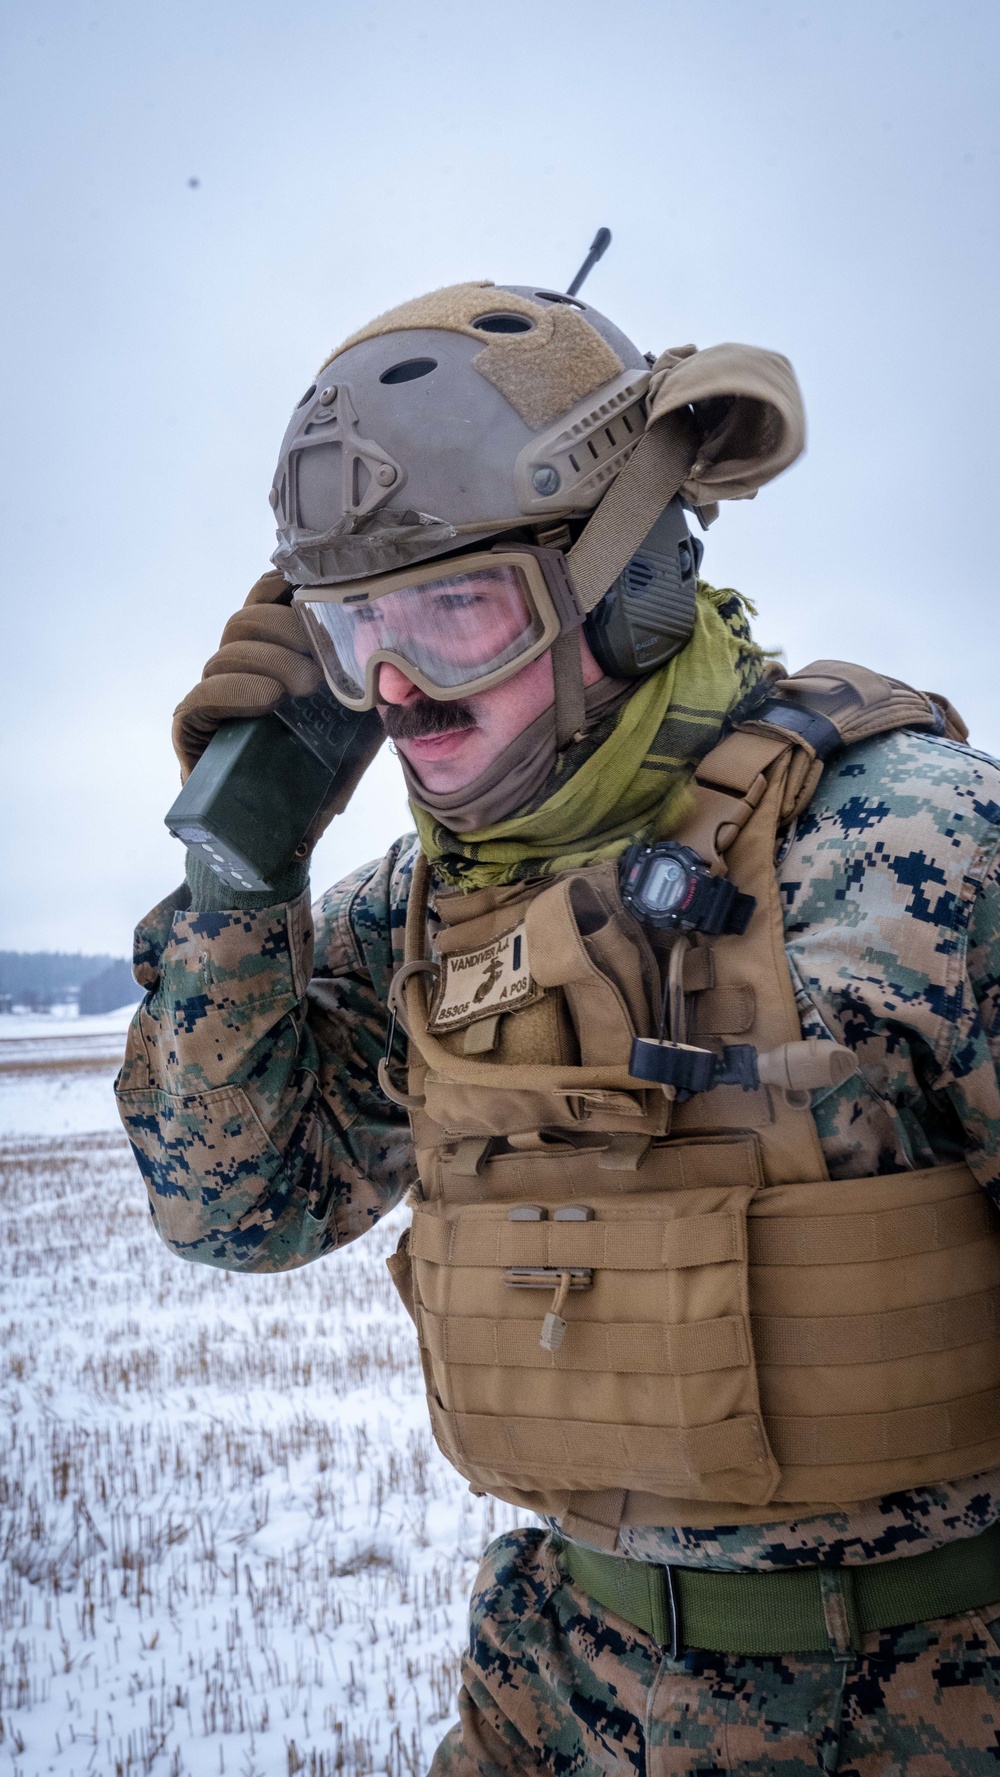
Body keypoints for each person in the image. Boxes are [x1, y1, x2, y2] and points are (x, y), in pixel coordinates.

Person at [117, 280, 1000, 1774]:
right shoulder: (413, 911)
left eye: (454, 612)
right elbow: (234, 1205)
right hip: (556, 1693)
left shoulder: (912, 855)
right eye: (350, 632)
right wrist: (240, 850)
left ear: (625, 586)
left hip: (920, 1706)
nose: (397, 693)